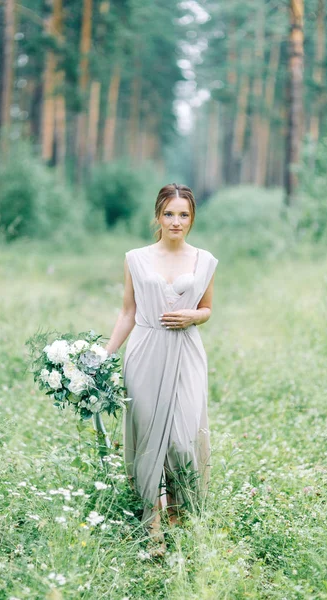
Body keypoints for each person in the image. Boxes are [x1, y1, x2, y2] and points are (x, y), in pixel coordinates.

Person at [105, 183, 219, 557]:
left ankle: (178, 515)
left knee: (183, 439)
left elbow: (206, 308)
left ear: (192, 218)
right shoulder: (136, 258)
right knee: (149, 435)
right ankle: (152, 523)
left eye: (183, 214)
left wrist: (193, 316)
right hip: (146, 350)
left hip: (186, 353)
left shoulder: (205, 260)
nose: (176, 221)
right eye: (169, 213)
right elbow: (128, 313)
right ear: (157, 215)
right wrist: (104, 356)